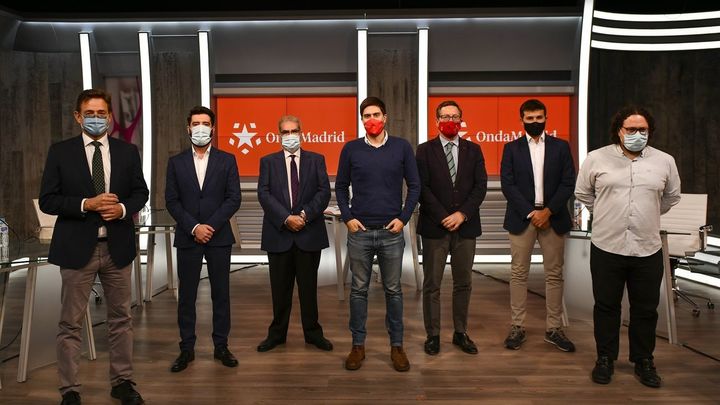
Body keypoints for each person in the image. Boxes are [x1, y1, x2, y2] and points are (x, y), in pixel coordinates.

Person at [39, 88, 149, 405]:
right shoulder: (60, 152)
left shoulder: (127, 151)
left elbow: (140, 193)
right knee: (70, 323)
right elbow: (48, 200)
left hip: (118, 249)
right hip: (77, 249)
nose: (96, 119)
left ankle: (122, 382)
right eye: (90, 113)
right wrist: (87, 204)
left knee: (121, 320)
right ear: (78, 116)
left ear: (110, 117)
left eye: (102, 113)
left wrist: (123, 209)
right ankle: (69, 389)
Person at [575, 105, 680, 388]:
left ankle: (644, 361)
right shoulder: (596, 158)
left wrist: (648, 213)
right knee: (606, 306)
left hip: (647, 247)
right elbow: (583, 192)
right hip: (607, 245)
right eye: (631, 129)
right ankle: (605, 358)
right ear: (619, 131)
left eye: (642, 130)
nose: (637, 134)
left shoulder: (665, 161)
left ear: (650, 131)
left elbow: (671, 196)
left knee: (645, 308)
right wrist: (606, 212)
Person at [335, 96, 420, 372]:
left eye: (376, 115)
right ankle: (357, 345)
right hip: (359, 232)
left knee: (393, 291)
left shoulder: (401, 147)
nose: (371, 120)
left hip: (390, 232)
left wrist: (403, 218)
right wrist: (348, 217)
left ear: (385, 117)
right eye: (366, 116)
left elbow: (415, 186)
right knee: (358, 290)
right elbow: (340, 186)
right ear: (362, 120)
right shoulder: (351, 149)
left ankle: (397, 346)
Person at [165, 105, 242, 373]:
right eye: (196, 123)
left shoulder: (227, 160)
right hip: (188, 237)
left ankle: (221, 346)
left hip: (218, 236)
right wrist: (194, 227)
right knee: (186, 296)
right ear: (188, 128)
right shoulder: (176, 162)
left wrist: (210, 226)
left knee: (221, 294)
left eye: (205, 123)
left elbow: (234, 198)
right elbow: (171, 201)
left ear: (213, 128)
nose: (200, 128)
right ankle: (186, 348)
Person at [500, 98, 576, 352]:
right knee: (518, 273)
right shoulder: (511, 148)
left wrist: (548, 211)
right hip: (522, 218)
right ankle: (517, 326)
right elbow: (508, 184)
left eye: (539, 118)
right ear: (521, 120)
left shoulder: (561, 147)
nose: (535, 122)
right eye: (530, 118)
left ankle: (554, 328)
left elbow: (568, 182)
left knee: (554, 274)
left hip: (554, 217)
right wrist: (532, 213)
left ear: (546, 118)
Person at [415, 100, 488, 356]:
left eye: (455, 116)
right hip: (435, 228)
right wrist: (444, 216)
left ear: (461, 120)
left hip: (465, 227)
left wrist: (462, 214)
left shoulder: (474, 150)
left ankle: (460, 332)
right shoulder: (424, 151)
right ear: (437, 121)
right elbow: (421, 188)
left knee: (463, 283)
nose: (450, 121)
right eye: (445, 116)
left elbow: (480, 186)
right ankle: (433, 335)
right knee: (432, 284)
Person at [256, 115, 333, 352]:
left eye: (294, 131)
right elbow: (264, 194)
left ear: (301, 133)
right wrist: (286, 218)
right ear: (279, 135)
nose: (290, 136)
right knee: (280, 290)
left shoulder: (316, 160)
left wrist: (304, 215)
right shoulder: (268, 162)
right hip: (279, 235)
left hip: (308, 234)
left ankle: (313, 334)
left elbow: (323, 192)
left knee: (309, 290)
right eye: (285, 132)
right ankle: (277, 335)